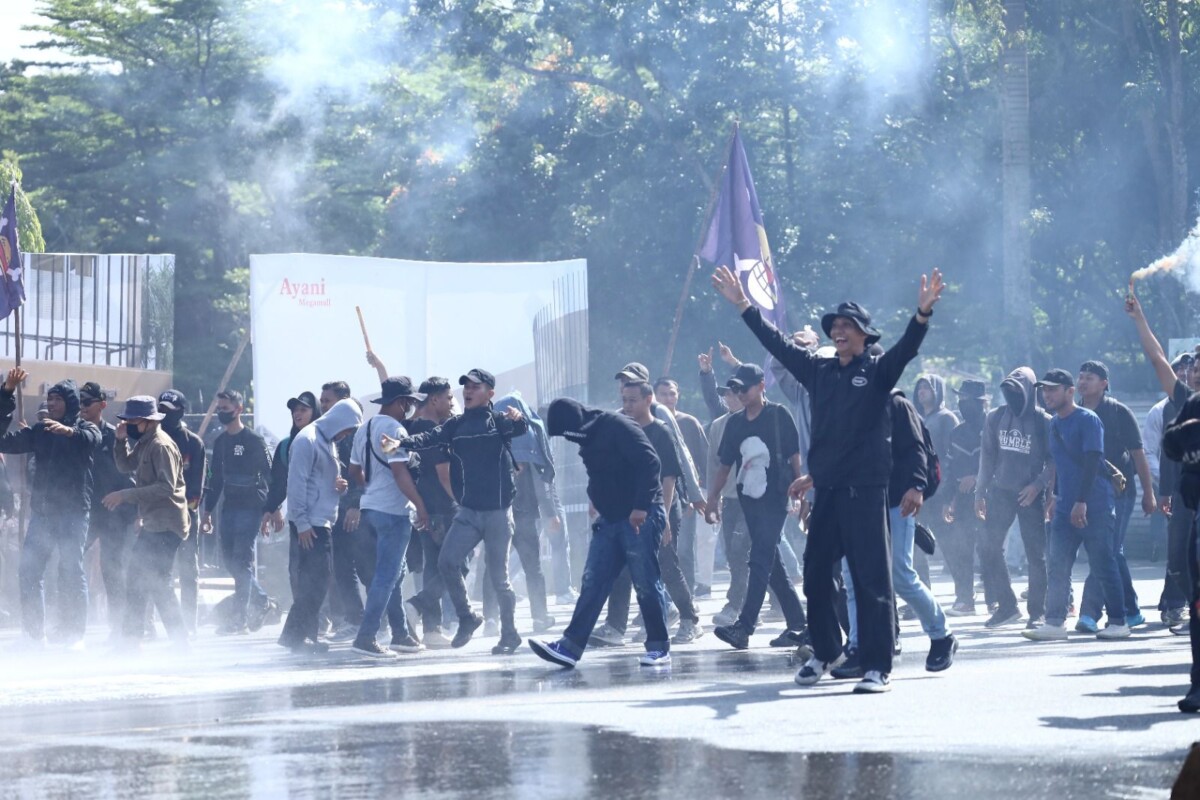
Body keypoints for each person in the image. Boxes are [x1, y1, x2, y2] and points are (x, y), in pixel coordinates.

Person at [713, 264, 944, 695]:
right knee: (817, 573)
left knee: (872, 578)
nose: (838, 332)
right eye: (834, 326)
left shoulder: (877, 374)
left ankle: (877, 666)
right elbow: (778, 345)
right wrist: (744, 305)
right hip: (826, 492)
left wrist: (922, 315)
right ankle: (824, 651)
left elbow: (906, 350)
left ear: (863, 335)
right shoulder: (819, 373)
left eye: (846, 326)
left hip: (867, 493)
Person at [528, 398, 672, 668]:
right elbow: (600, 472)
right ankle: (570, 647)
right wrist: (594, 497)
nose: (569, 440)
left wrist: (641, 506)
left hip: (639, 516)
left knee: (645, 582)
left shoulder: (617, 425)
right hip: (609, 520)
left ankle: (658, 647)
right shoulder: (587, 436)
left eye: (567, 434)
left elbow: (650, 462)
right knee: (593, 581)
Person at [397, 369, 528, 654]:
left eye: (475, 386)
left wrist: (519, 419)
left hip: (497, 512)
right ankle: (467, 617)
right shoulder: (456, 424)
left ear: (490, 392)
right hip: (468, 512)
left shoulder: (499, 422)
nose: (467, 391)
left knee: (499, 578)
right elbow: (429, 438)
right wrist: (401, 442)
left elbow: (520, 429)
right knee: (447, 562)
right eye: (465, 387)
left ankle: (509, 633)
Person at [834, 390, 957, 678]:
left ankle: (942, 636)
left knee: (900, 575)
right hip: (856, 502)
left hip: (895, 502)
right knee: (852, 578)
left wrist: (916, 487)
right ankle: (859, 648)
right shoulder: (845, 401)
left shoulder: (897, 404)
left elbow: (916, 449)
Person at [705, 364, 807, 650]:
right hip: (747, 499)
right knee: (771, 562)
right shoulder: (735, 423)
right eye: (735, 389)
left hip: (776, 497)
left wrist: (801, 492)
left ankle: (744, 626)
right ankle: (799, 624)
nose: (740, 394)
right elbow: (724, 465)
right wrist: (713, 498)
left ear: (761, 386)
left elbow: (794, 455)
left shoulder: (778, 416)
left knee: (759, 558)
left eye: (744, 388)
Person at [0, 369, 102, 649]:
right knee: (29, 571)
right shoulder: (40, 431)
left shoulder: (86, 428)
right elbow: (3, 441)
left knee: (70, 570)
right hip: (43, 515)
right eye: (49, 399)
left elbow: (91, 439)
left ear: (69, 402)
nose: (51, 404)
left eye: (57, 399)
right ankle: (34, 635)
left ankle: (74, 635)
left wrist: (69, 432)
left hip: (73, 514)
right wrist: (7, 392)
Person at [1023, 369, 1127, 642]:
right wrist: (1055, 497)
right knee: (1057, 564)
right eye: (1044, 390)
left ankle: (1118, 621)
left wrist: (1081, 502)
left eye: (1053, 389)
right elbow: (1056, 462)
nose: (1047, 395)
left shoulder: (1088, 419)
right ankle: (1055, 622)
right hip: (1065, 506)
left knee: (1103, 563)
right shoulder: (1054, 423)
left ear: (1070, 391)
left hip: (1095, 505)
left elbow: (1093, 461)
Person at [616, 380, 704, 644]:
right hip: (635, 509)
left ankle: (690, 620)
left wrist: (664, 518)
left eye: (633, 400)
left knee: (666, 565)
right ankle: (656, 618)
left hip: (662, 507)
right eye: (625, 400)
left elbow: (669, 479)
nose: (628, 406)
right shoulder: (623, 432)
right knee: (639, 567)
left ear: (648, 399)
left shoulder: (660, 432)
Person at [349, 377, 428, 658]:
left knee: (393, 574)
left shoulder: (364, 429)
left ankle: (401, 634)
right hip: (392, 513)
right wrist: (420, 504)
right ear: (401, 402)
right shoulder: (393, 430)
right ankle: (366, 636)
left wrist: (370, 490)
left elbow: (355, 471)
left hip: (369, 509)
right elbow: (399, 472)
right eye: (408, 402)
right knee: (386, 576)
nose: (409, 408)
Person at [1075, 360, 1156, 632]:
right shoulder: (1072, 413)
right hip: (1086, 493)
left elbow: (1138, 455)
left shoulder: (1119, 412)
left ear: (1104, 384)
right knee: (1113, 551)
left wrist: (1149, 494)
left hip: (1119, 492)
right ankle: (1131, 611)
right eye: (1081, 377)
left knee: (1104, 550)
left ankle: (1089, 613)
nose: (1083, 382)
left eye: (1090, 377)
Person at [104, 396, 191, 650]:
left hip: (167, 524)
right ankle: (132, 640)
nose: (129, 424)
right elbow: (124, 466)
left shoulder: (161, 446)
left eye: (133, 420)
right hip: (155, 523)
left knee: (157, 582)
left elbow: (165, 488)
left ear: (147, 421)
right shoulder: (145, 442)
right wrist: (120, 441)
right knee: (138, 578)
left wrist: (125, 496)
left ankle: (179, 642)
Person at [278, 397, 363, 654]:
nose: (346, 435)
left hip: (321, 520)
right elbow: (296, 484)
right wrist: (302, 523)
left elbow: (321, 480)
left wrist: (339, 487)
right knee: (315, 581)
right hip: (311, 524)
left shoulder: (326, 440)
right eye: (347, 429)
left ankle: (302, 636)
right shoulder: (308, 440)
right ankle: (296, 636)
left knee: (316, 581)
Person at [974, 367, 1054, 629]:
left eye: (1017, 392)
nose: (1012, 397)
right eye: (1007, 392)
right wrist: (980, 492)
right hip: (1001, 492)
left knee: (1036, 556)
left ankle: (1037, 613)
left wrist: (1039, 486)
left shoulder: (1044, 420)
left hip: (1031, 494)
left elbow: (1055, 461)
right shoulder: (995, 417)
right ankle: (1007, 606)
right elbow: (987, 456)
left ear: (1030, 392)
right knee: (988, 548)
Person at [202, 389, 273, 635]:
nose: (222, 412)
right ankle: (261, 599)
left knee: (241, 562)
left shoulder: (254, 440)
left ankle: (239, 619)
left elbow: (270, 474)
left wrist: (269, 510)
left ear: (239, 409)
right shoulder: (220, 443)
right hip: (229, 508)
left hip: (251, 508)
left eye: (226, 408)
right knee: (231, 563)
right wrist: (208, 510)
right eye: (219, 408)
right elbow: (215, 479)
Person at [492, 392, 559, 633]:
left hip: (496, 514)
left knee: (495, 567)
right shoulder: (530, 435)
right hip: (525, 514)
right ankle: (539, 617)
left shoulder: (492, 436)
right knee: (533, 567)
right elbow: (541, 482)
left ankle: (491, 619)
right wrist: (550, 512)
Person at [403, 377, 457, 649]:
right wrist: (460, 504)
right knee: (457, 563)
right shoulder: (430, 430)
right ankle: (416, 606)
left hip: (424, 508)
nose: (451, 403)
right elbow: (444, 473)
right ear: (434, 399)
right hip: (442, 509)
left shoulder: (410, 427)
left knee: (434, 566)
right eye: (448, 397)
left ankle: (432, 629)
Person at [79, 381, 137, 637]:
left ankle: (120, 629)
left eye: (87, 402)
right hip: (86, 512)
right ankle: (71, 623)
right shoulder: (76, 434)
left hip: (114, 514)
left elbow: (129, 475)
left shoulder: (116, 436)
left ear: (102, 405)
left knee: (112, 571)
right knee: (70, 562)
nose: (82, 407)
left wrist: (134, 513)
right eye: (79, 402)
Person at [1144, 352, 1196, 630]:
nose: (1188, 373)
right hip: (1179, 493)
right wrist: (1163, 489)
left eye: (1193, 368)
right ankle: (1177, 604)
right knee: (1177, 556)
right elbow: (1159, 452)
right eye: (1184, 368)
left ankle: (1180, 607)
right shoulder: (1165, 409)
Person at [653, 377, 713, 596]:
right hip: (656, 494)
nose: (668, 399)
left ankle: (686, 598)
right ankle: (664, 598)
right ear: (654, 396)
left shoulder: (689, 422)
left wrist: (706, 494)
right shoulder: (649, 423)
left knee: (684, 549)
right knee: (660, 550)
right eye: (663, 394)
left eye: (672, 394)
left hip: (685, 494)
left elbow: (702, 460)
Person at [1161, 379, 1200, 712]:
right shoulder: (1193, 405)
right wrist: (1185, 432)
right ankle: (1199, 685)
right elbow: (1170, 445)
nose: (1197, 372)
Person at [318, 381, 367, 640]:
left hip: (354, 514)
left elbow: (362, 475)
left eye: (328, 400)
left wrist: (356, 505)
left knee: (363, 568)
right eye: (322, 401)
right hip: (336, 513)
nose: (323, 406)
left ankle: (372, 621)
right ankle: (356, 618)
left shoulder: (354, 436)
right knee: (342, 568)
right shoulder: (329, 435)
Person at [158, 390, 207, 635]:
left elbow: (197, 487)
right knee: (152, 569)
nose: (163, 414)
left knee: (188, 569)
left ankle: (190, 624)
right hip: (155, 516)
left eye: (168, 409)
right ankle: (149, 625)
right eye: (161, 409)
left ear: (180, 412)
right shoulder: (151, 439)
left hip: (185, 516)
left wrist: (187, 514)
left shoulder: (193, 443)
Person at [941, 379, 989, 616]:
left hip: (990, 497)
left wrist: (978, 477)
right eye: (960, 399)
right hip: (961, 499)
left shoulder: (993, 426)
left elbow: (1002, 462)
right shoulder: (957, 432)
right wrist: (947, 499)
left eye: (967, 399)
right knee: (962, 550)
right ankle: (964, 599)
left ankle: (995, 598)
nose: (962, 403)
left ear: (981, 402)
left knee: (990, 548)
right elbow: (949, 469)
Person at [262, 392, 321, 538]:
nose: (297, 413)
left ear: (315, 413)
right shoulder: (285, 445)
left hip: (322, 518)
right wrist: (270, 509)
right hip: (298, 518)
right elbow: (278, 482)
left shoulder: (325, 441)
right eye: (295, 410)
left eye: (303, 410)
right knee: (298, 560)